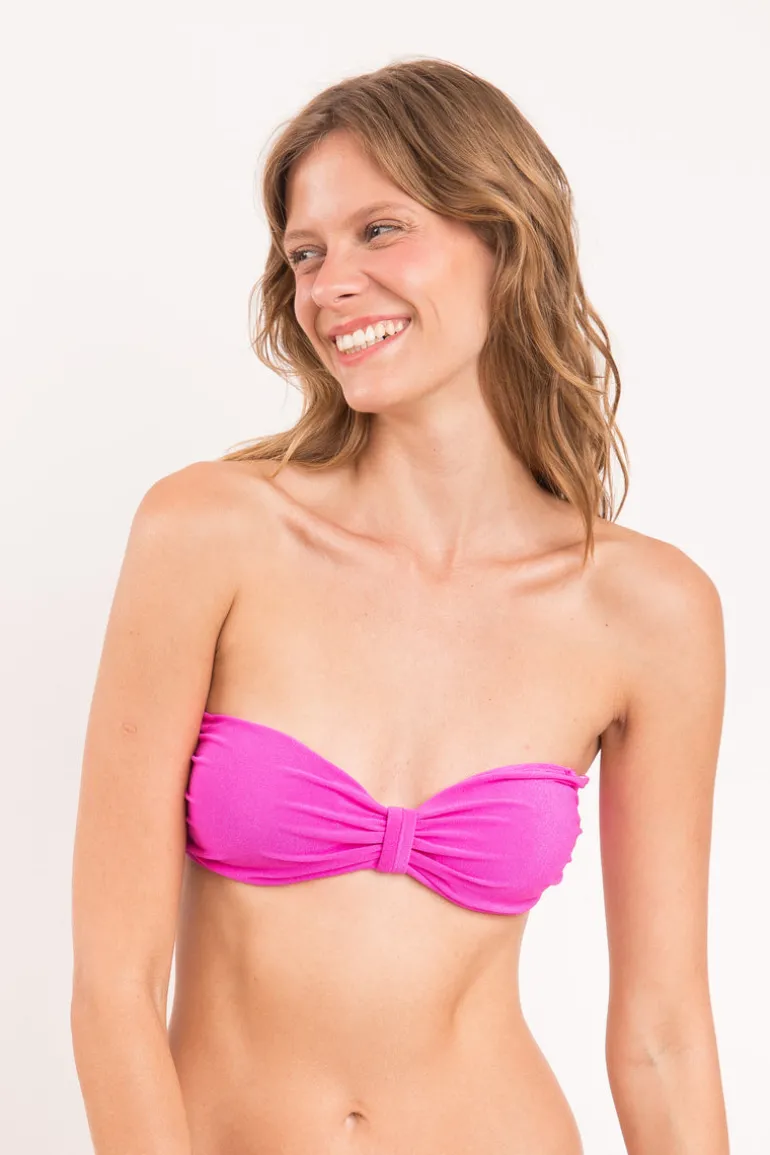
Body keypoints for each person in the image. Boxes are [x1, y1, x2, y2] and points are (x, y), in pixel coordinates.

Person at [70, 57, 730, 1155]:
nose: (330, 285)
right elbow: (113, 986)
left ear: (505, 240)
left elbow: (663, 1034)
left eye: (380, 230)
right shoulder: (209, 533)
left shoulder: (648, 610)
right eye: (305, 253)